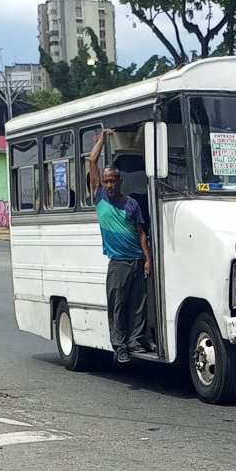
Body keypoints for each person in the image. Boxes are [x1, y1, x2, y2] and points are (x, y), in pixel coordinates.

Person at [89, 128, 153, 363]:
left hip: (136, 260)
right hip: (117, 263)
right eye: (105, 181)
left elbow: (141, 233)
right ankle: (120, 345)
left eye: (112, 181)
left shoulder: (132, 204)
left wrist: (147, 259)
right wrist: (104, 140)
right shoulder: (99, 197)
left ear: (119, 181)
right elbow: (92, 160)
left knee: (138, 305)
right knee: (117, 305)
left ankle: (135, 341)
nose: (108, 185)